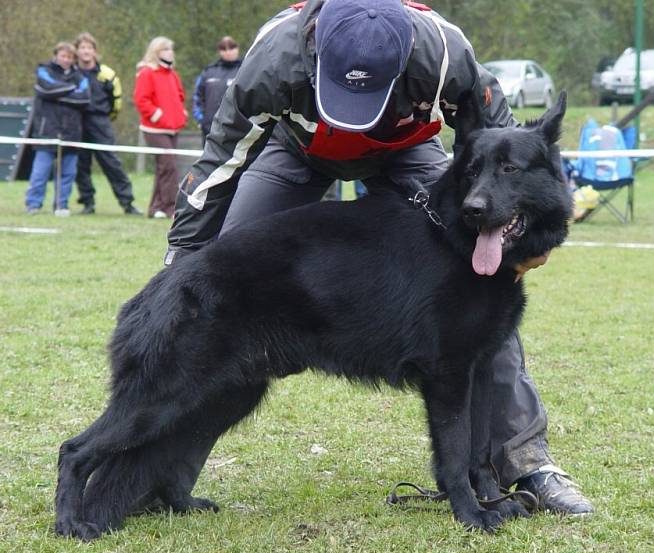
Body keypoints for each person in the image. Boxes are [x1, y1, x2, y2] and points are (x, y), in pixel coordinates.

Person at [166, 0, 593, 515]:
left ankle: (525, 463)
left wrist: (520, 239)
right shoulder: (273, 59)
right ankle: (161, 476)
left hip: (405, 150)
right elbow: (219, 163)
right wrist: (182, 264)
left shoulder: (445, 51)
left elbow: (508, 149)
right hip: (297, 150)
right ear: (317, 53)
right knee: (228, 297)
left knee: (479, 305)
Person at [73, 32, 143, 216]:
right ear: (77, 51)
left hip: (100, 122)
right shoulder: (71, 72)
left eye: (89, 48)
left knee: (111, 163)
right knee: (80, 165)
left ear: (95, 52)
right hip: (77, 122)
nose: (86, 51)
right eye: (82, 48)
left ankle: (127, 203)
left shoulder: (107, 74)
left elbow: (116, 103)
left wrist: (105, 118)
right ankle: (87, 203)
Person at [24, 42, 89, 216]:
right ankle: (33, 204)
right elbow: (45, 89)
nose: (66, 60)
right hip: (47, 131)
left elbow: (83, 99)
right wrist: (69, 90)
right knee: (41, 171)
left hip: (72, 132)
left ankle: (61, 205)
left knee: (68, 173)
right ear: (55, 55)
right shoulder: (44, 71)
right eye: (63, 56)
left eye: (69, 57)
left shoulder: (80, 77)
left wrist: (57, 95)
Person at [133, 36, 187, 218]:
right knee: (169, 165)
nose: (170, 52)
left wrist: (181, 113)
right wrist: (158, 115)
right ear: (156, 52)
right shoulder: (147, 73)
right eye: (165, 49)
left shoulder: (173, 74)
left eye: (171, 49)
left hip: (173, 127)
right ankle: (170, 207)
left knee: (163, 167)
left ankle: (156, 208)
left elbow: (180, 96)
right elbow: (141, 100)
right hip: (154, 128)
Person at [192, 36, 242, 143]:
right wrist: (201, 120)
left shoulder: (245, 70)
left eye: (231, 48)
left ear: (237, 49)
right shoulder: (208, 72)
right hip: (209, 128)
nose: (228, 52)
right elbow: (197, 97)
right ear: (219, 51)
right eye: (224, 49)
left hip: (237, 128)